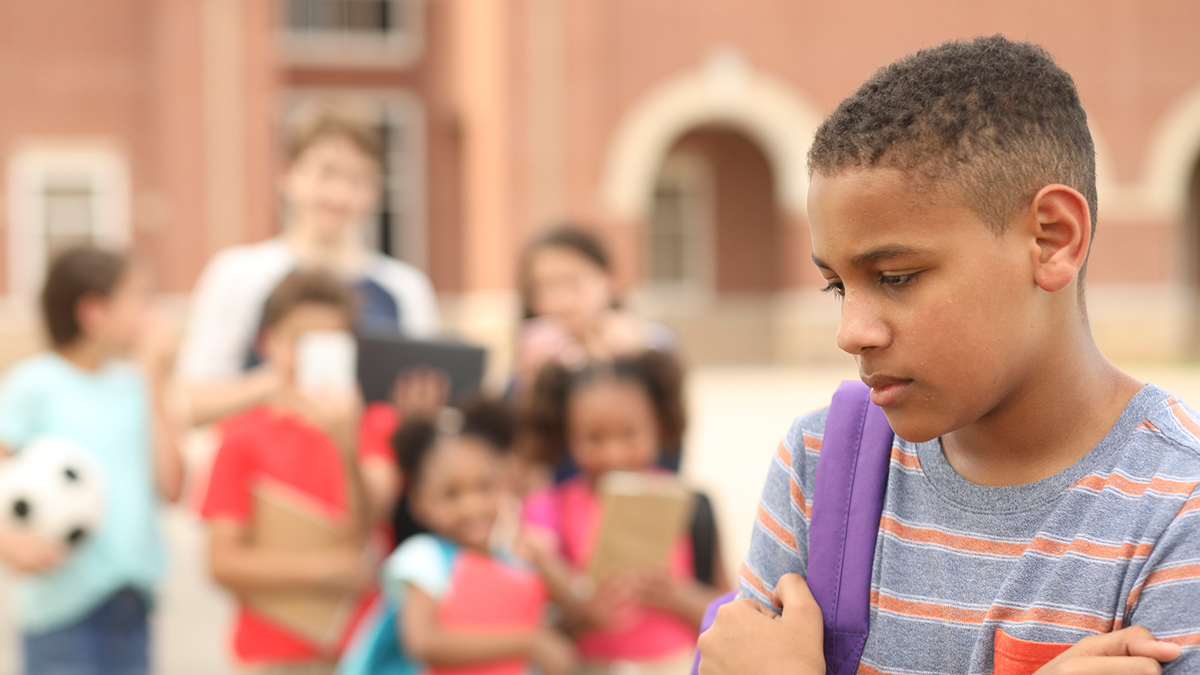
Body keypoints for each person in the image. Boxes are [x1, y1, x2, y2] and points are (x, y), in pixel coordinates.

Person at [697, 36, 1200, 675]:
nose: (851, 332)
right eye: (837, 286)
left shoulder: (1178, 509)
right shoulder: (825, 467)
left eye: (897, 276)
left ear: (1052, 240)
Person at [177, 98, 440, 428]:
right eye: (327, 173)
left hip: (365, 472)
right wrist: (275, 383)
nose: (341, 195)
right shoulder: (240, 274)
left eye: (359, 180)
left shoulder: (405, 287)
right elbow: (189, 404)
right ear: (287, 175)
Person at [199, 271, 397, 674]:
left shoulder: (375, 426)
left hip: (365, 652)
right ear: (267, 342)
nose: (310, 357)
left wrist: (344, 441)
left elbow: (371, 514)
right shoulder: (239, 438)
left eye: (328, 344)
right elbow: (222, 562)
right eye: (298, 342)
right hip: (273, 656)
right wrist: (322, 572)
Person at [0, 246, 186, 675]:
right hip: (63, 611)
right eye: (140, 299)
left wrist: (154, 378)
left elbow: (172, 486)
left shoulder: (134, 385)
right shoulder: (33, 384)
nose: (152, 314)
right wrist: (9, 543)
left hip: (132, 605)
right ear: (93, 312)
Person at [521, 350, 730, 675]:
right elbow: (532, 628)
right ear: (567, 435)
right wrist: (584, 615)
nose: (613, 454)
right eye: (593, 438)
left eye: (629, 434)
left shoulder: (691, 504)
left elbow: (730, 611)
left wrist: (678, 596)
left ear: (658, 425)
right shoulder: (545, 509)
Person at [343, 398, 577, 675]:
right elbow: (423, 642)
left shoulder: (515, 559)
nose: (472, 506)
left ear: (505, 483)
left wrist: (543, 561)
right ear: (421, 503)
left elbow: (576, 605)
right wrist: (529, 640)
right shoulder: (424, 558)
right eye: (452, 494)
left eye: (485, 487)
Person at [514, 226, 675, 391]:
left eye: (572, 282)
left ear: (610, 279)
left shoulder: (651, 344)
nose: (560, 301)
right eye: (544, 288)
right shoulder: (529, 360)